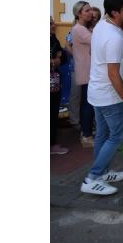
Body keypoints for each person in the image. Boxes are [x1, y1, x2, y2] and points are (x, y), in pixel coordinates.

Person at [80, 0, 123, 196]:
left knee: (104, 135)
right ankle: (92, 177)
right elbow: (113, 74)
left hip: (97, 91)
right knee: (116, 136)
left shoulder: (102, 25)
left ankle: (103, 172)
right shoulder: (113, 37)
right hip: (108, 95)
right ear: (115, 12)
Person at [71, 0, 96, 147]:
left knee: (87, 103)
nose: (91, 13)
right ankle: (86, 135)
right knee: (88, 104)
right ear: (79, 13)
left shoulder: (83, 28)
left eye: (91, 10)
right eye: (87, 10)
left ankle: (86, 132)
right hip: (86, 71)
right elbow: (96, 41)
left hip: (87, 70)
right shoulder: (79, 29)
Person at [50, 16, 69, 155]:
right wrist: (53, 61)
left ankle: (52, 142)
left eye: (52, 21)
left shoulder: (53, 38)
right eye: (49, 23)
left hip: (54, 82)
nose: (53, 24)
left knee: (53, 111)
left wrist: (57, 59)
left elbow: (63, 57)